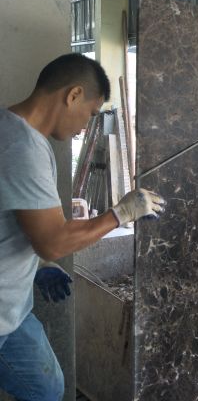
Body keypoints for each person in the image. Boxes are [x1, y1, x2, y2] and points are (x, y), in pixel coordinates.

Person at [0, 53, 165, 399]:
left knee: (46, 388)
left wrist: (37, 265)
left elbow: (21, 222)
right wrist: (121, 213)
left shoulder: (14, 131)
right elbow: (53, 241)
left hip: (12, 308)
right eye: (90, 114)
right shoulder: (22, 147)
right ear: (73, 95)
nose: (85, 128)